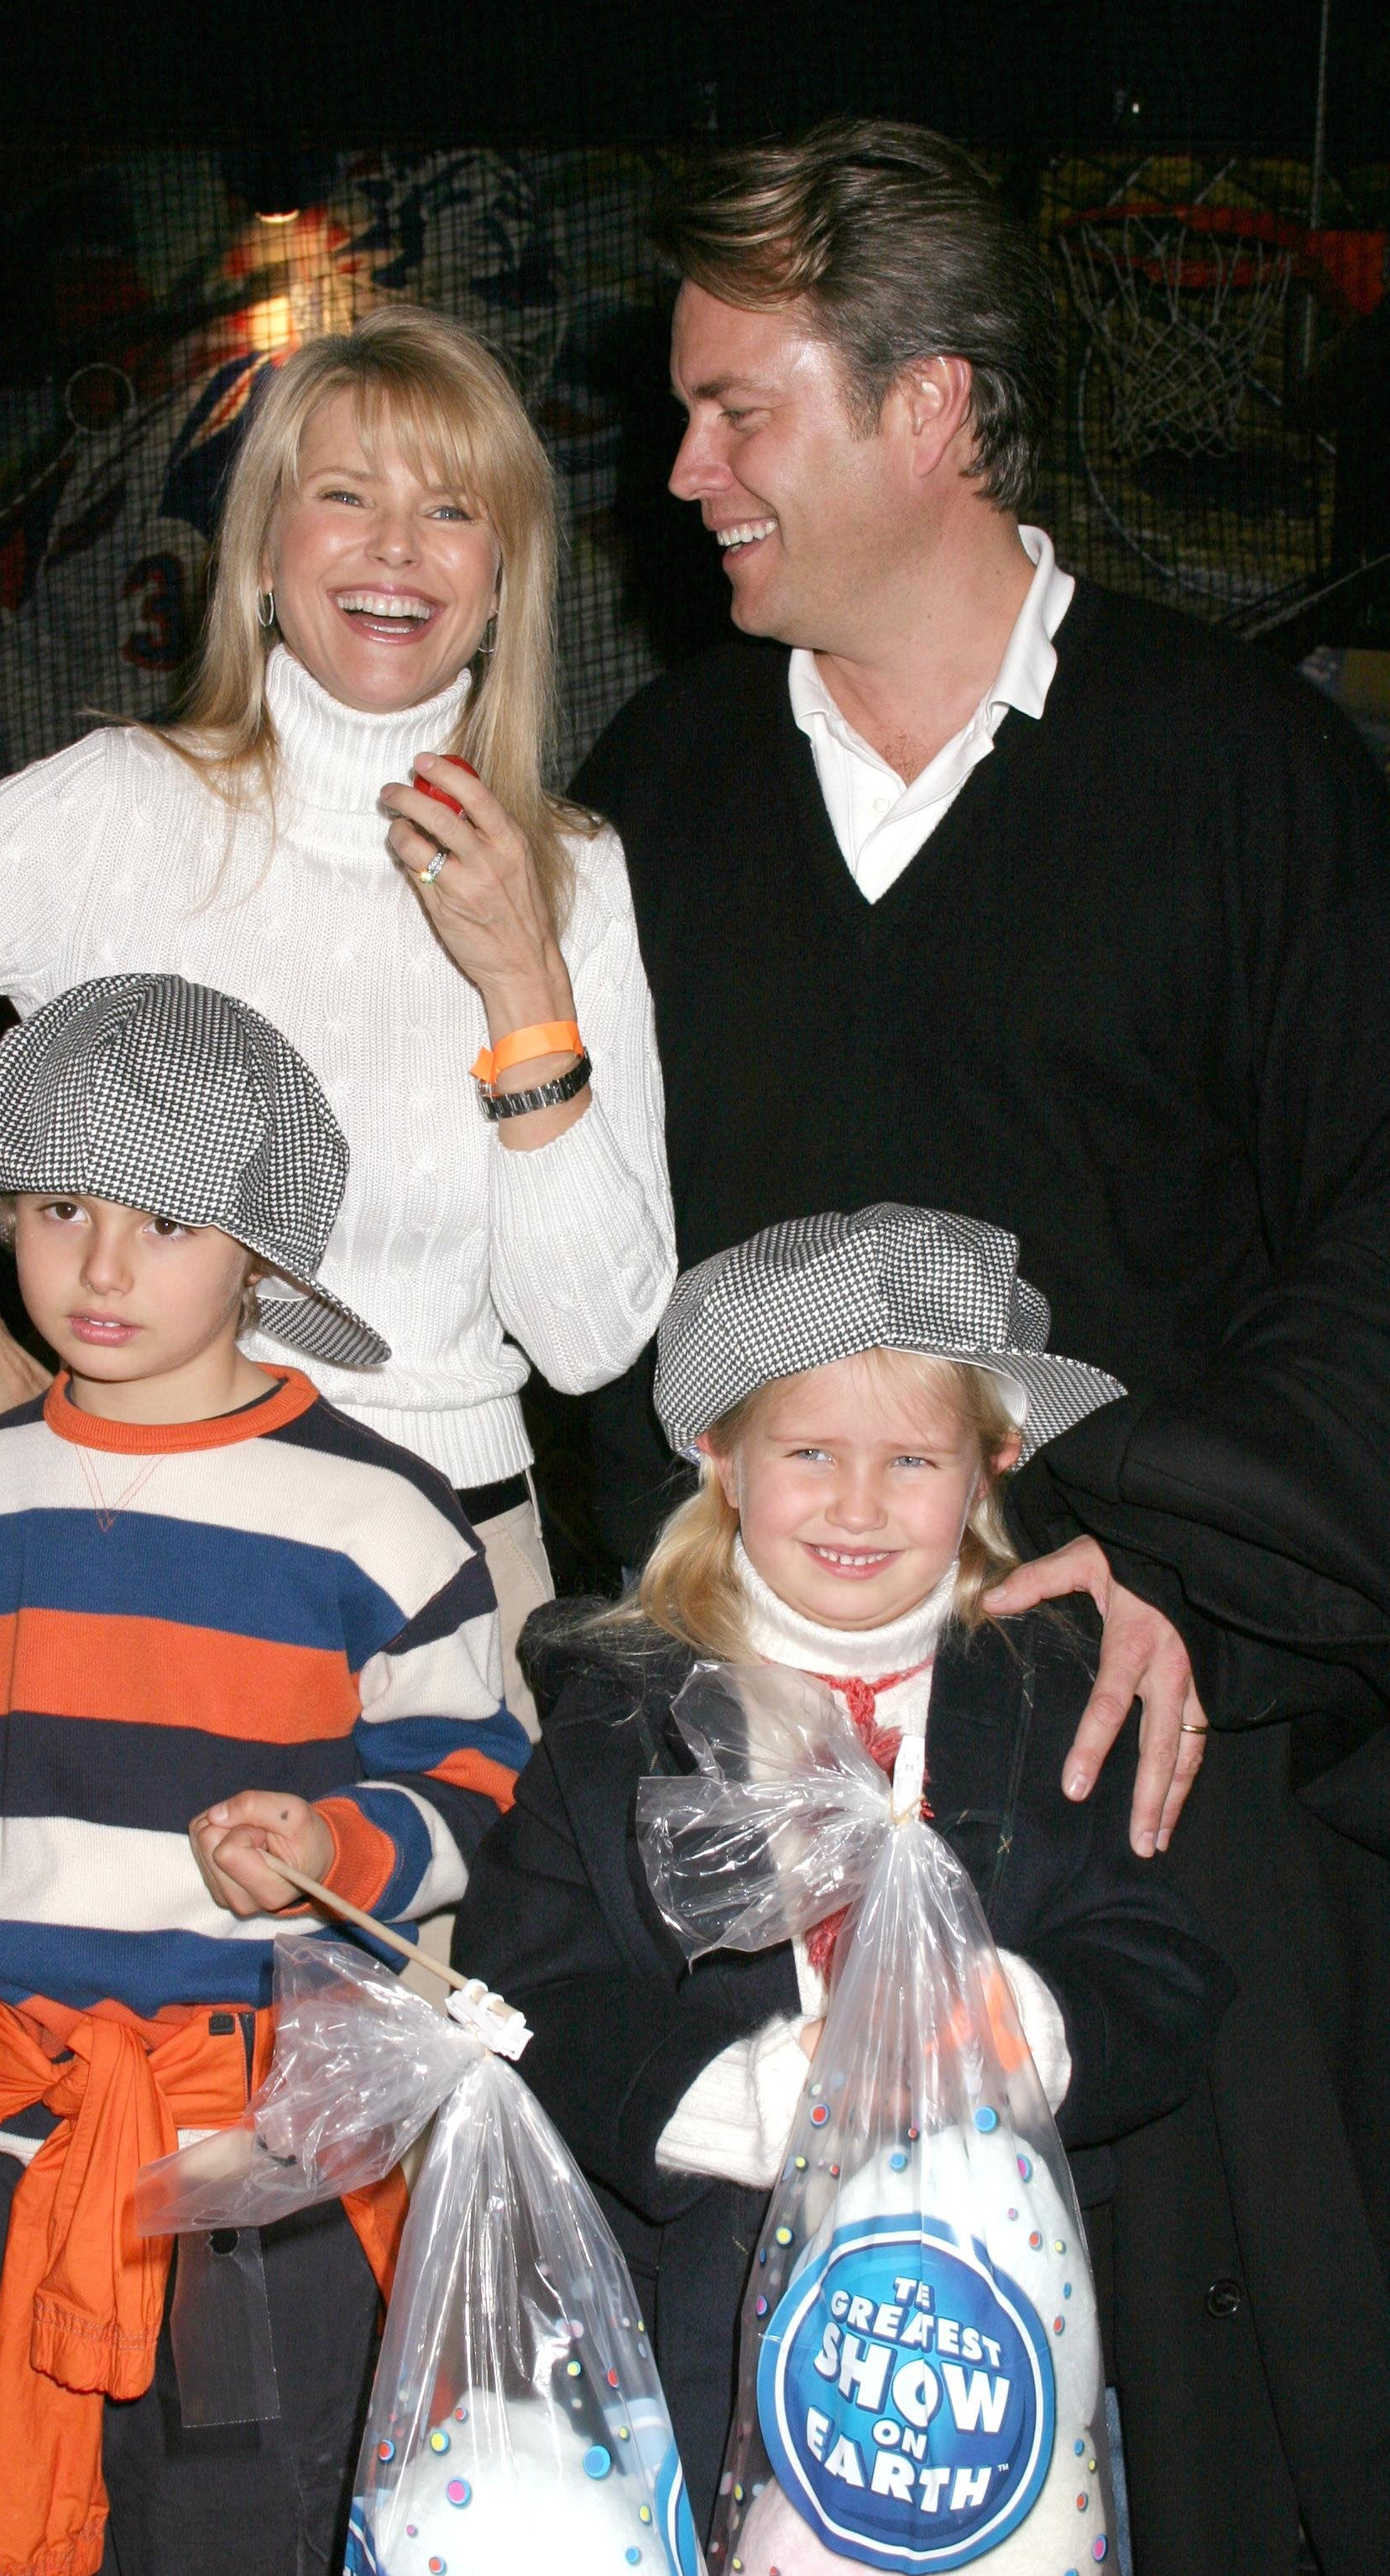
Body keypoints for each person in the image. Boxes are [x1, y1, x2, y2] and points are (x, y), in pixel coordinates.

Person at [571, 120, 1390, 2574]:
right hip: (757, 1775)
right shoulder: (656, 793)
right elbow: (591, 1290)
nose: (681, 469)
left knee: (1209, 2443)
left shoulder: (1249, 775)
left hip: (1148, 1758)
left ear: (931, 408)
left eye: (739, 410)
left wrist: (1173, 1552)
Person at [0, 303, 675, 1726]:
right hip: (137, 1556)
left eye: (452, 509)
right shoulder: (120, 811)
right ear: (262, 551)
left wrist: (524, 988)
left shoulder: (569, 874)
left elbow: (588, 1342)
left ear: (505, 576)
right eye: (347, 495)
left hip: (449, 1576)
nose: (397, 547)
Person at [0, 975, 531, 2576]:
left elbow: (480, 1780)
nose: (104, 1267)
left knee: (238, 2539)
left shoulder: (380, 1518)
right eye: (61, 1206)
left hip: (252, 2168)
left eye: (171, 1222)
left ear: (262, 1253)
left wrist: (338, 1839)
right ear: (2, 1208)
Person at [456, 1207, 1232, 2521]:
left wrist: (1024, 2030)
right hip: (701, 2328)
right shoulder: (619, 1714)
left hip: (1005, 2345)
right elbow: (528, 1989)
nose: (859, 1505)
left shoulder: (1058, 1691)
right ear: (722, 1456)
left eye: (913, 1459)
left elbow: (1162, 1966)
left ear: (989, 1467)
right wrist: (741, 2099)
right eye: (809, 1451)